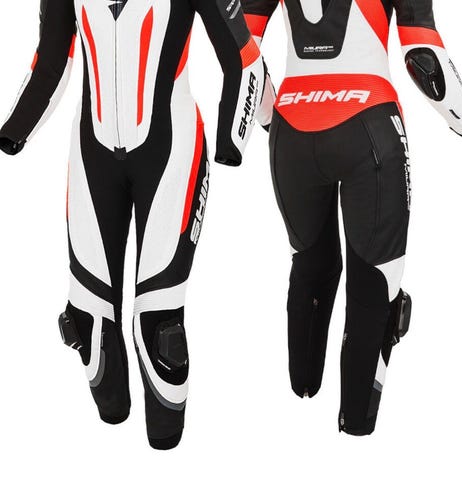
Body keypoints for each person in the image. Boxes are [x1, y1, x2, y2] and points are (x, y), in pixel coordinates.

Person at [0, 0, 267, 449]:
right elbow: (50, 60)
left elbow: (243, 58)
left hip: (172, 150)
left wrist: (234, 138)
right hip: (93, 153)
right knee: (88, 320)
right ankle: (111, 435)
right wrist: (12, 130)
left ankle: (166, 447)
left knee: (158, 326)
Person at [240, 0, 462, 435]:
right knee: (374, 283)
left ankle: (302, 388)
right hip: (368, 122)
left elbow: (240, 40)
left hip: (292, 129)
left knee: (311, 262)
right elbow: (422, 53)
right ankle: (355, 422)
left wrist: (272, 116)